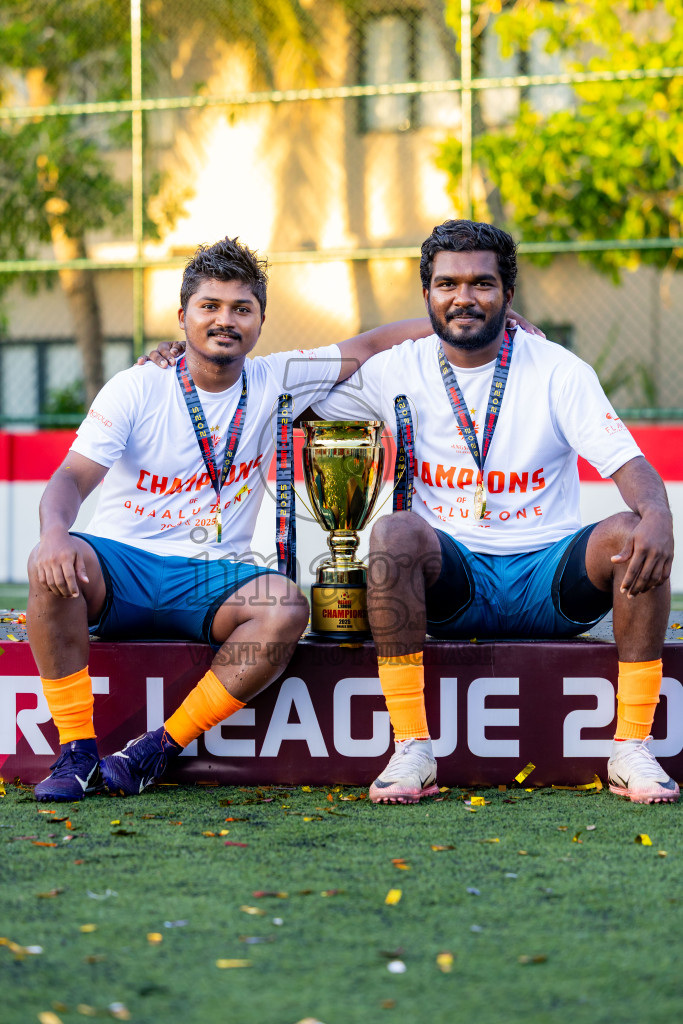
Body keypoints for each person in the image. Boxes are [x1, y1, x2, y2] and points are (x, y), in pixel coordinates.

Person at [28, 235, 464, 802]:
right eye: (209, 306)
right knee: (52, 566)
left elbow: (376, 341)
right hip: (123, 566)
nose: (224, 320)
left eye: (241, 308)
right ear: (182, 315)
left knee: (284, 607)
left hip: (211, 577)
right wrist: (55, 534)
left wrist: (482, 318)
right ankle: (77, 753)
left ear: (261, 320)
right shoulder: (137, 385)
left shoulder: (278, 378)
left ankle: (155, 750)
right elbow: (70, 478)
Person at [308, 219, 677, 806]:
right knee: (396, 531)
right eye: (447, 284)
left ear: (508, 293)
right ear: (426, 293)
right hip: (455, 580)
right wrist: (191, 360)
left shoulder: (558, 369)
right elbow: (287, 390)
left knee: (634, 532)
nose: (464, 298)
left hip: (549, 579)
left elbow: (628, 465)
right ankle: (413, 748)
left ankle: (630, 746)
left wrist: (659, 513)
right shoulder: (395, 368)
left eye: (482, 284)